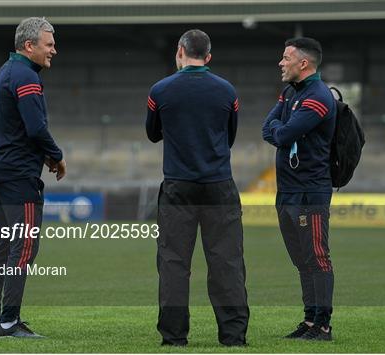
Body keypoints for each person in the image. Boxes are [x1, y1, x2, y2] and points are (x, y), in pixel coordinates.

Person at [146, 29, 249, 347]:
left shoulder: (160, 90)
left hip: (178, 186)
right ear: (208, 56)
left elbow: (152, 134)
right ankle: (233, 335)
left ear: (180, 51)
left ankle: (174, 336)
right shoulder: (226, 91)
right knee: (227, 261)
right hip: (219, 185)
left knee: (174, 262)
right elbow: (229, 136)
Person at [0, 17, 66, 338]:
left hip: (0, 171)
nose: (54, 50)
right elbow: (35, 127)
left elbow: (15, 128)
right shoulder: (26, 76)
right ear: (29, 46)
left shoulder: (4, 72)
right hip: (18, 175)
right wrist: (56, 155)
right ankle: (8, 322)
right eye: (49, 44)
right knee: (24, 246)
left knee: (3, 246)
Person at [262, 37, 336, 341]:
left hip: (310, 193)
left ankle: (323, 325)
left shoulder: (318, 95)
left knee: (317, 257)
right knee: (301, 260)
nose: (281, 63)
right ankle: (309, 320)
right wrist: (282, 130)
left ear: (303, 63)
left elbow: (283, 133)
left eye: (286, 58)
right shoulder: (291, 92)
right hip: (288, 192)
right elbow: (268, 128)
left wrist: (282, 131)